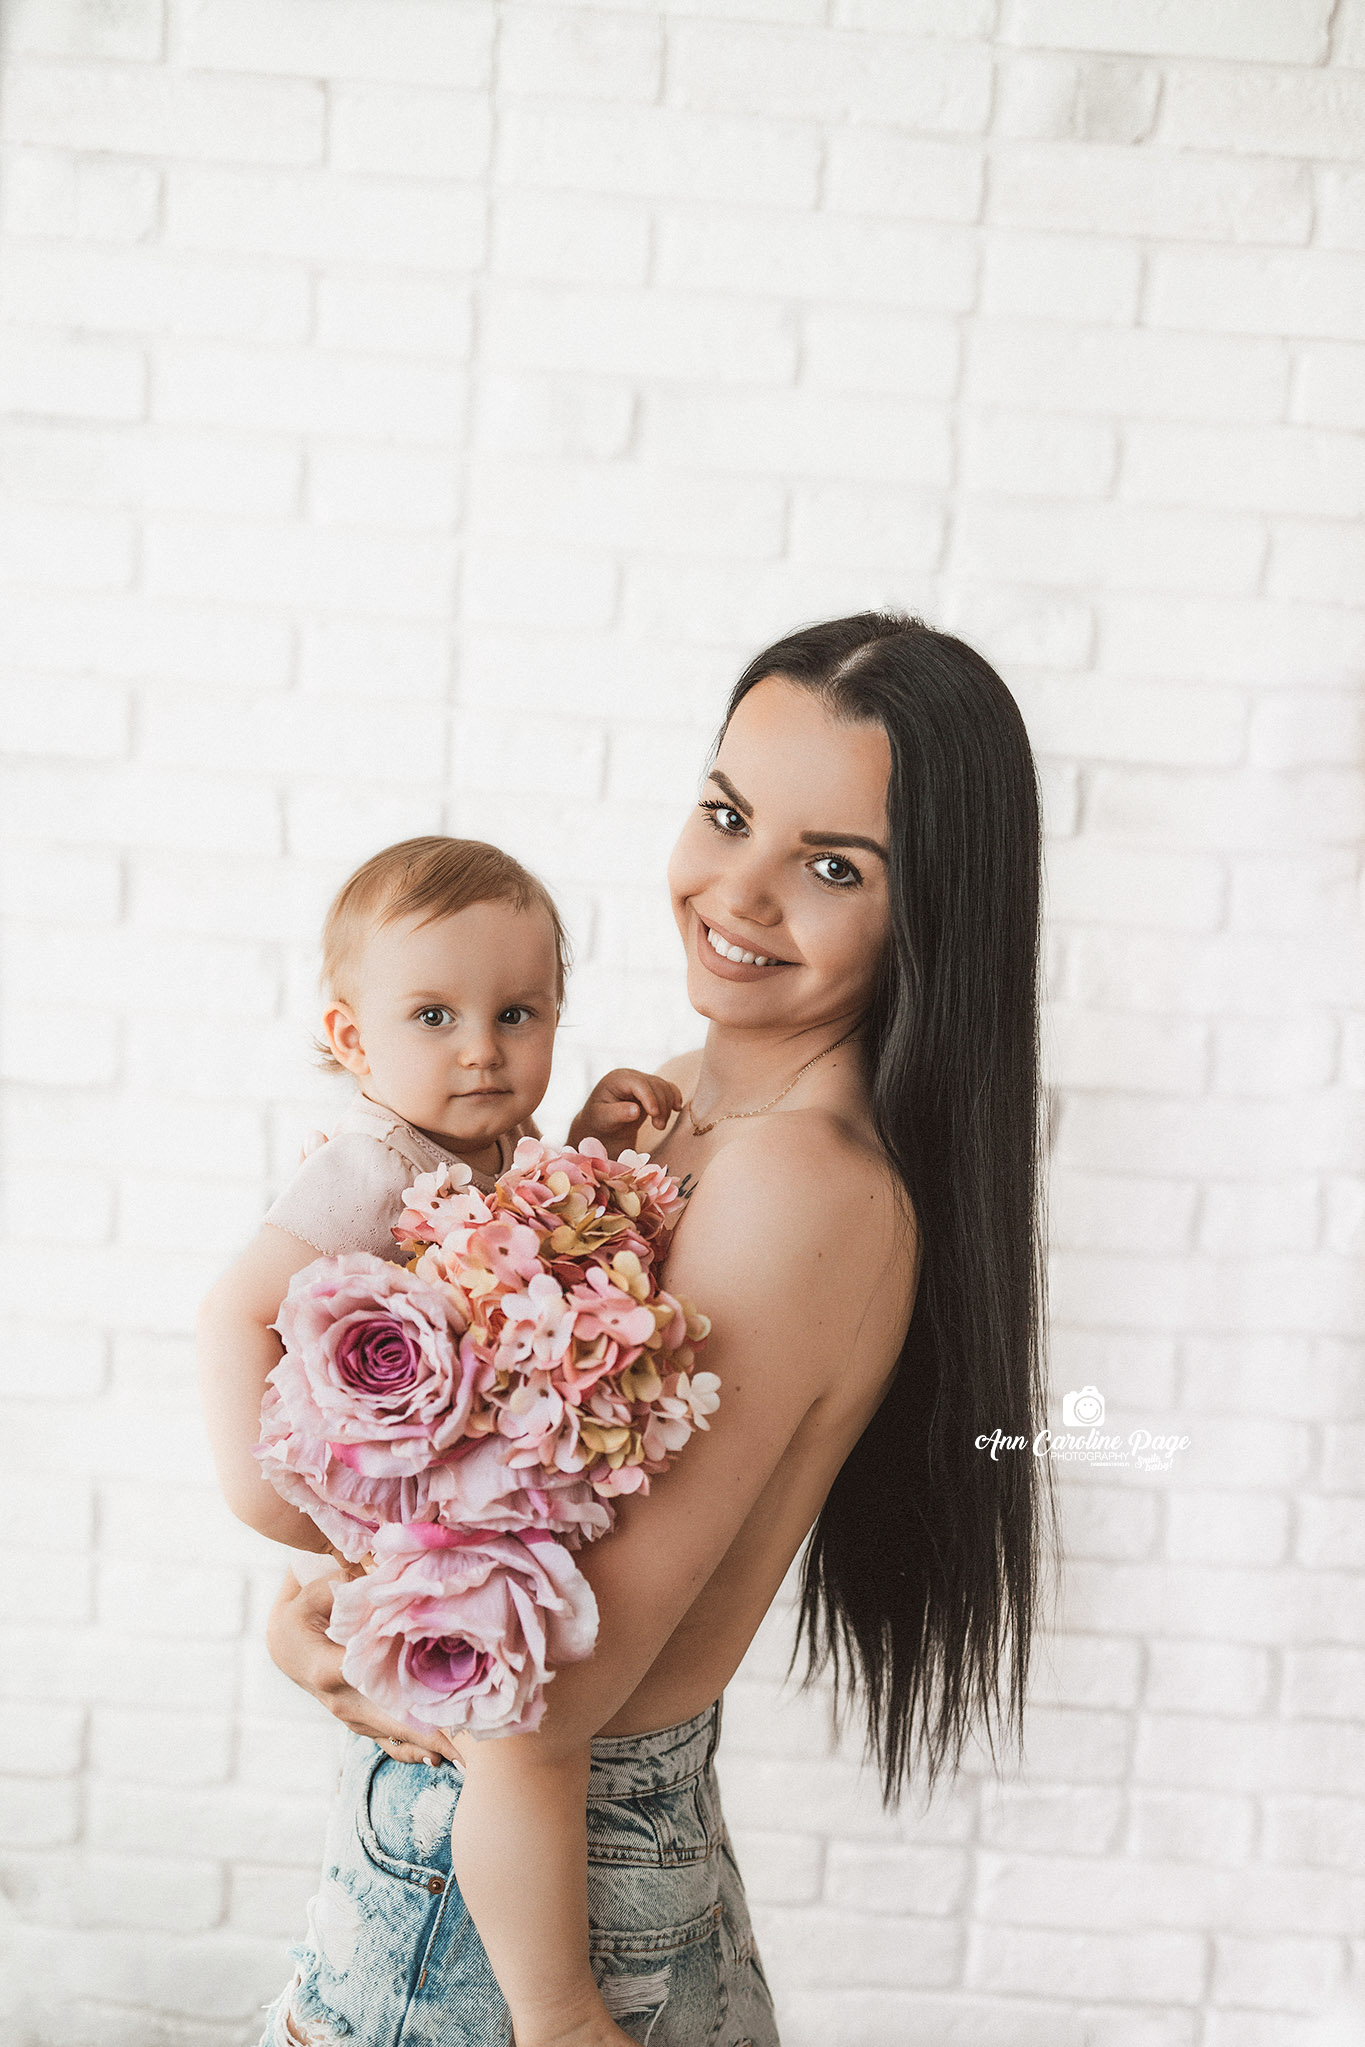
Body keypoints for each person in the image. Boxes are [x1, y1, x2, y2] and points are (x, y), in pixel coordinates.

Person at [260, 613, 1054, 2047]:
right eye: (728, 814)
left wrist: (560, 2015)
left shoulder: (800, 1183)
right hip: (524, 1842)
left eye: (832, 865)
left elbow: (552, 1680)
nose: (737, 892)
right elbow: (513, 1481)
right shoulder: (683, 1097)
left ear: (931, 911)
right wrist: (332, 1607)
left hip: (523, 1898)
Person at [197, 832, 683, 1564]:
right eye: (434, 1016)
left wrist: (593, 1139)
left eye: (515, 1014)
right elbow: (233, 1311)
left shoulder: (499, 1131)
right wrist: (272, 1501)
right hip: (373, 1507)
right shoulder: (370, 1169)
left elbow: (528, 1227)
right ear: (354, 1040)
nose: (482, 1050)